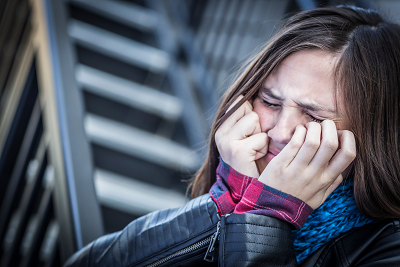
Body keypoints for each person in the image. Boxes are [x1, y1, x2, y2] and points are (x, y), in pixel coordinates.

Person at [64, 5, 400, 267]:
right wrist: (230, 203)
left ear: (373, 137)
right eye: (270, 101)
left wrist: (266, 222)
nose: (279, 131)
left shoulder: (387, 249)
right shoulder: (240, 194)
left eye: (313, 115)